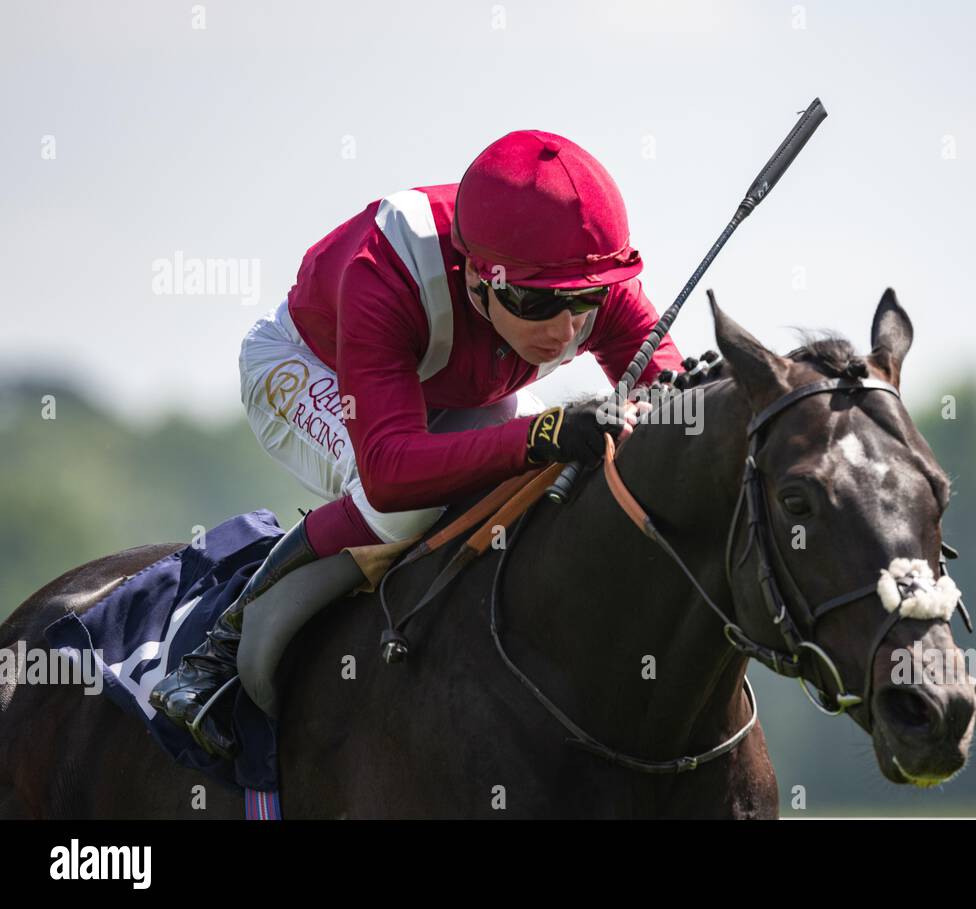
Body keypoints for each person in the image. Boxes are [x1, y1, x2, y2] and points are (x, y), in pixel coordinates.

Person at [148, 130, 685, 759]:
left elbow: (674, 404)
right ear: (480, 279)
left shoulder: (582, 266)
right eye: (537, 304)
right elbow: (390, 471)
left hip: (449, 392)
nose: (567, 329)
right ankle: (217, 651)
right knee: (408, 505)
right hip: (304, 369)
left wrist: (672, 406)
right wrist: (547, 433)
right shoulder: (390, 266)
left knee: (560, 481)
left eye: (587, 303)